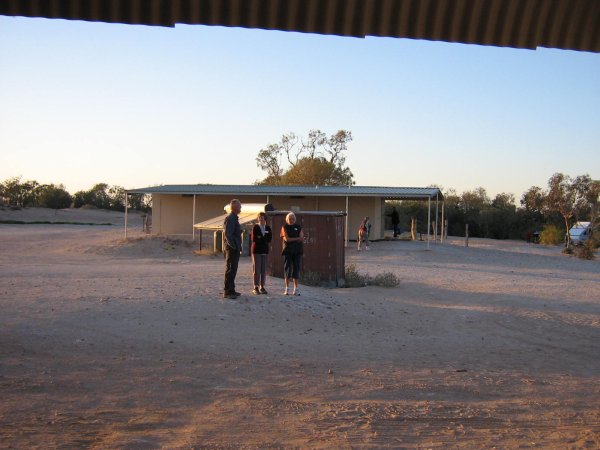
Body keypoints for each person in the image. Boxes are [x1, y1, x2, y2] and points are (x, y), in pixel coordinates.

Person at [280, 212, 304, 296]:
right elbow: (287, 239)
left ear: (295, 219)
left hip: (297, 251)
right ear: (287, 219)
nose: (291, 220)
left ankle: (295, 289)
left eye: (293, 218)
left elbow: (302, 237)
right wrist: (297, 239)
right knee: (287, 269)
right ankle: (287, 289)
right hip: (288, 251)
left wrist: (293, 239)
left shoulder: (298, 227)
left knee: (296, 269)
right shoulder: (284, 227)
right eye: (290, 219)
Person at [222, 199, 242, 299]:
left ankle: (232, 289)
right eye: (239, 206)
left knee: (233, 269)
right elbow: (228, 234)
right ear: (234, 207)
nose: (240, 208)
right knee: (230, 269)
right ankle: (227, 291)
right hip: (232, 248)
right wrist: (233, 246)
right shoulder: (230, 218)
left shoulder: (235, 218)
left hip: (235, 247)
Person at [251, 212, 272, 295]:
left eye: (262, 217)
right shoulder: (255, 227)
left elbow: (269, 239)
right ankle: (255, 287)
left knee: (263, 270)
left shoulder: (268, 228)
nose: (260, 218)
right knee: (257, 269)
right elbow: (254, 239)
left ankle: (262, 286)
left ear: (265, 218)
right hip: (257, 250)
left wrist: (261, 238)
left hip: (265, 251)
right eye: (259, 217)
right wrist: (263, 239)